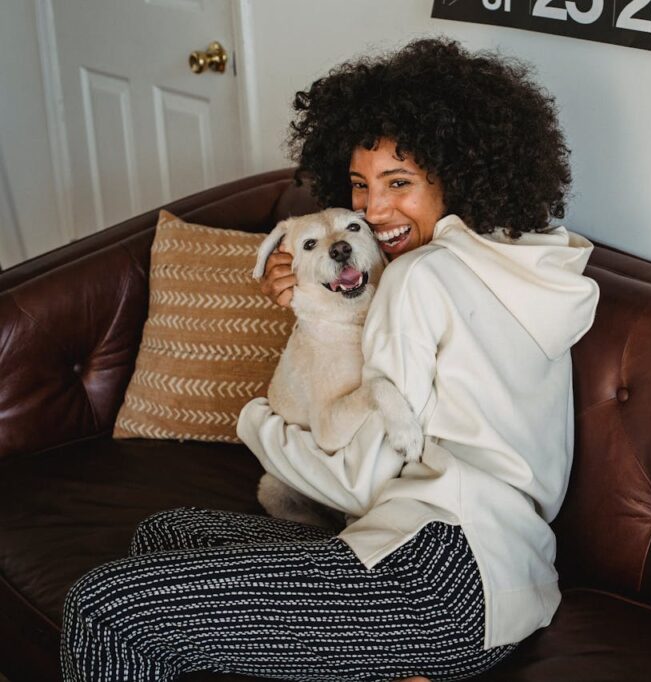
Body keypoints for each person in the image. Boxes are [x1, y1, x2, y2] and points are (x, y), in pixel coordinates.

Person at [60, 38, 598, 682]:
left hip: (437, 577)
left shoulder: (420, 277)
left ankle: (391, 656)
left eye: (399, 184)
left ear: (457, 175)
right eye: (361, 187)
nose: (373, 211)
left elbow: (355, 480)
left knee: (103, 609)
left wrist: (258, 423)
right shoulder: (524, 264)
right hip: (510, 579)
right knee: (170, 532)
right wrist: (321, 300)